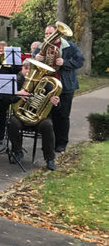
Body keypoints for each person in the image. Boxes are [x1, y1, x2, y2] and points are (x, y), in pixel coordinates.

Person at [33, 24, 84, 153]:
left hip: (64, 86)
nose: (49, 36)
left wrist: (65, 63)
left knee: (63, 115)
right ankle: (48, 143)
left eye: (51, 33)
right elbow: (31, 63)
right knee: (46, 115)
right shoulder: (41, 47)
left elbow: (80, 61)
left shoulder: (70, 47)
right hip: (46, 86)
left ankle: (61, 143)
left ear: (58, 34)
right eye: (46, 34)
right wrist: (36, 58)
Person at [7, 60, 61, 170]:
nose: (30, 74)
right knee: (12, 123)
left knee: (48, 125)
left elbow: (58, 107)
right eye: (28, 70)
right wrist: (17, 94)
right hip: (20, 114)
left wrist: (55, 103)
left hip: (38, 118)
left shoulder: (47, 84)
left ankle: (49, 158)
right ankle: (17, 152)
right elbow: (6, 100)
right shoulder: (18, 81)